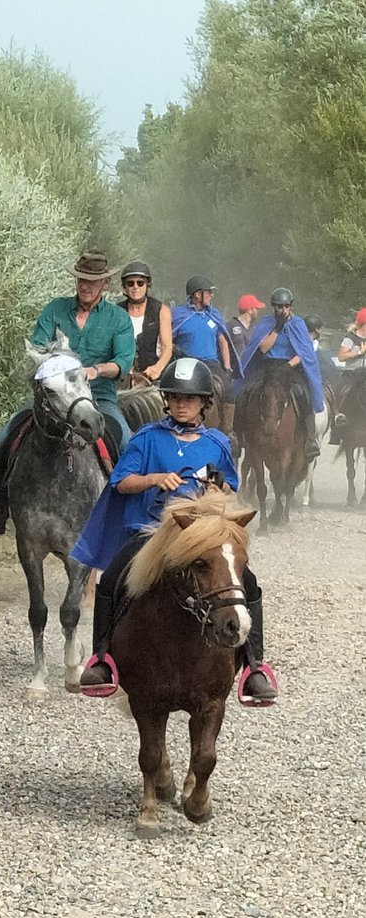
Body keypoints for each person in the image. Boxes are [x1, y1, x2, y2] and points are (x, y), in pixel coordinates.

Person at [72, 357, 277, 703]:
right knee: (111, 579)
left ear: (203, 403)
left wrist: (218, 489)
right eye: (176, 398)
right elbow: (121, 483)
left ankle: (254, 665)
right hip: (152, 530)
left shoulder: (217, 443)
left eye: (190, 399)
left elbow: (229, 486)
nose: (183, 405)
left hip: (203, 534)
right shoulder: (147, 439)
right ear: (167, 400)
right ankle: (103, 659)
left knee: (249, 582)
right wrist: (154, 479)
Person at [0, 250, 135, 538]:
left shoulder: (118, 318)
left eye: (93, 281)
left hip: (98, 398)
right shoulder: (55, 310)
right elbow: (38, 348)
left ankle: (126, 516)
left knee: (128, 441)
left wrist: (94, 370)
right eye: (81, 279)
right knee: (3, 437)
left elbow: (122, 363)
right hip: (53, 401)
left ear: (105, 283)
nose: (85, 286)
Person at [239, 287, 322, 462]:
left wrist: (289, 365)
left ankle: (310, 440)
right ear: (273, 306)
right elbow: (262, 348)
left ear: (290, 306)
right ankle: (238, 434)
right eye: (278, 306)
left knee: (303, 393)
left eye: (285, 306)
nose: (282, 310)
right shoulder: (267, 323)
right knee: (246, 391)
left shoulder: (299, 324)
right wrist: (277, 328)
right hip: (268, 367)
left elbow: (305, 353)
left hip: (290, 367)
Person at [171, 275, 242, 437]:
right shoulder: (178, 314)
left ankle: (228, 431)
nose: (211, 295)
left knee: (229, 391)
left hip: (211, 364)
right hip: (187, 363)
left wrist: (227, 367)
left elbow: (223, 340)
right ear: (197, 294)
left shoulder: (214, 314)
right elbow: (167, 339)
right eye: (208, 292)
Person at [117, 260, 172, 381]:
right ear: (124, 287)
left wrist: (157, 368)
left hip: (153, 378)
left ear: (147, 285)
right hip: (122, 378)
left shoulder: (161, 310)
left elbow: (167, 347)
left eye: (140, 283)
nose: (135, 287)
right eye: (130, 283)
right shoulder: (116, 311)